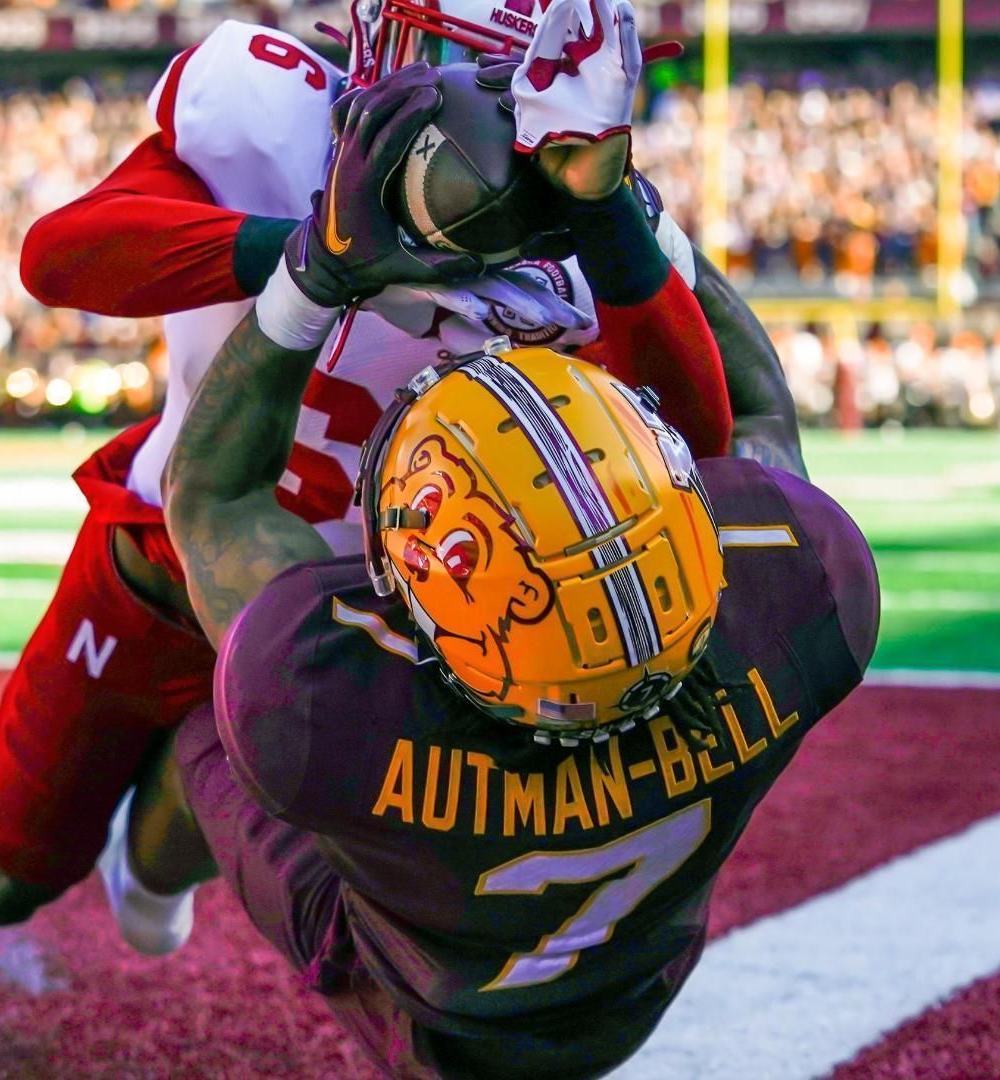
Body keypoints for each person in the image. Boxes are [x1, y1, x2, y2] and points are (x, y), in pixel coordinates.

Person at [0, 1, 788, 968]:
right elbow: (58, 257)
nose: (505, 114)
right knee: (8, 872)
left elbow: (701, 439)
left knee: (192, 829)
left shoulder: (590, 222)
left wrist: (609, 224)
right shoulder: (278, 115)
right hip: (156, 565)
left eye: (530, 82)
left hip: (343, 619)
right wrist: (310, 254)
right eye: (473, 67)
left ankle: (154, 861)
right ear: (389, 47)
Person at [122, 71, 878, 1078]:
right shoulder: (803, 602)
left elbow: (208, 498)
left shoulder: (327, 707)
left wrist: (316, 272)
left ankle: (138, 881)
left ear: (445, 635)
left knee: (196, 712)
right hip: (642, 978)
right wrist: (622, 215)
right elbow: (761, 415)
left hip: (426, 1015)